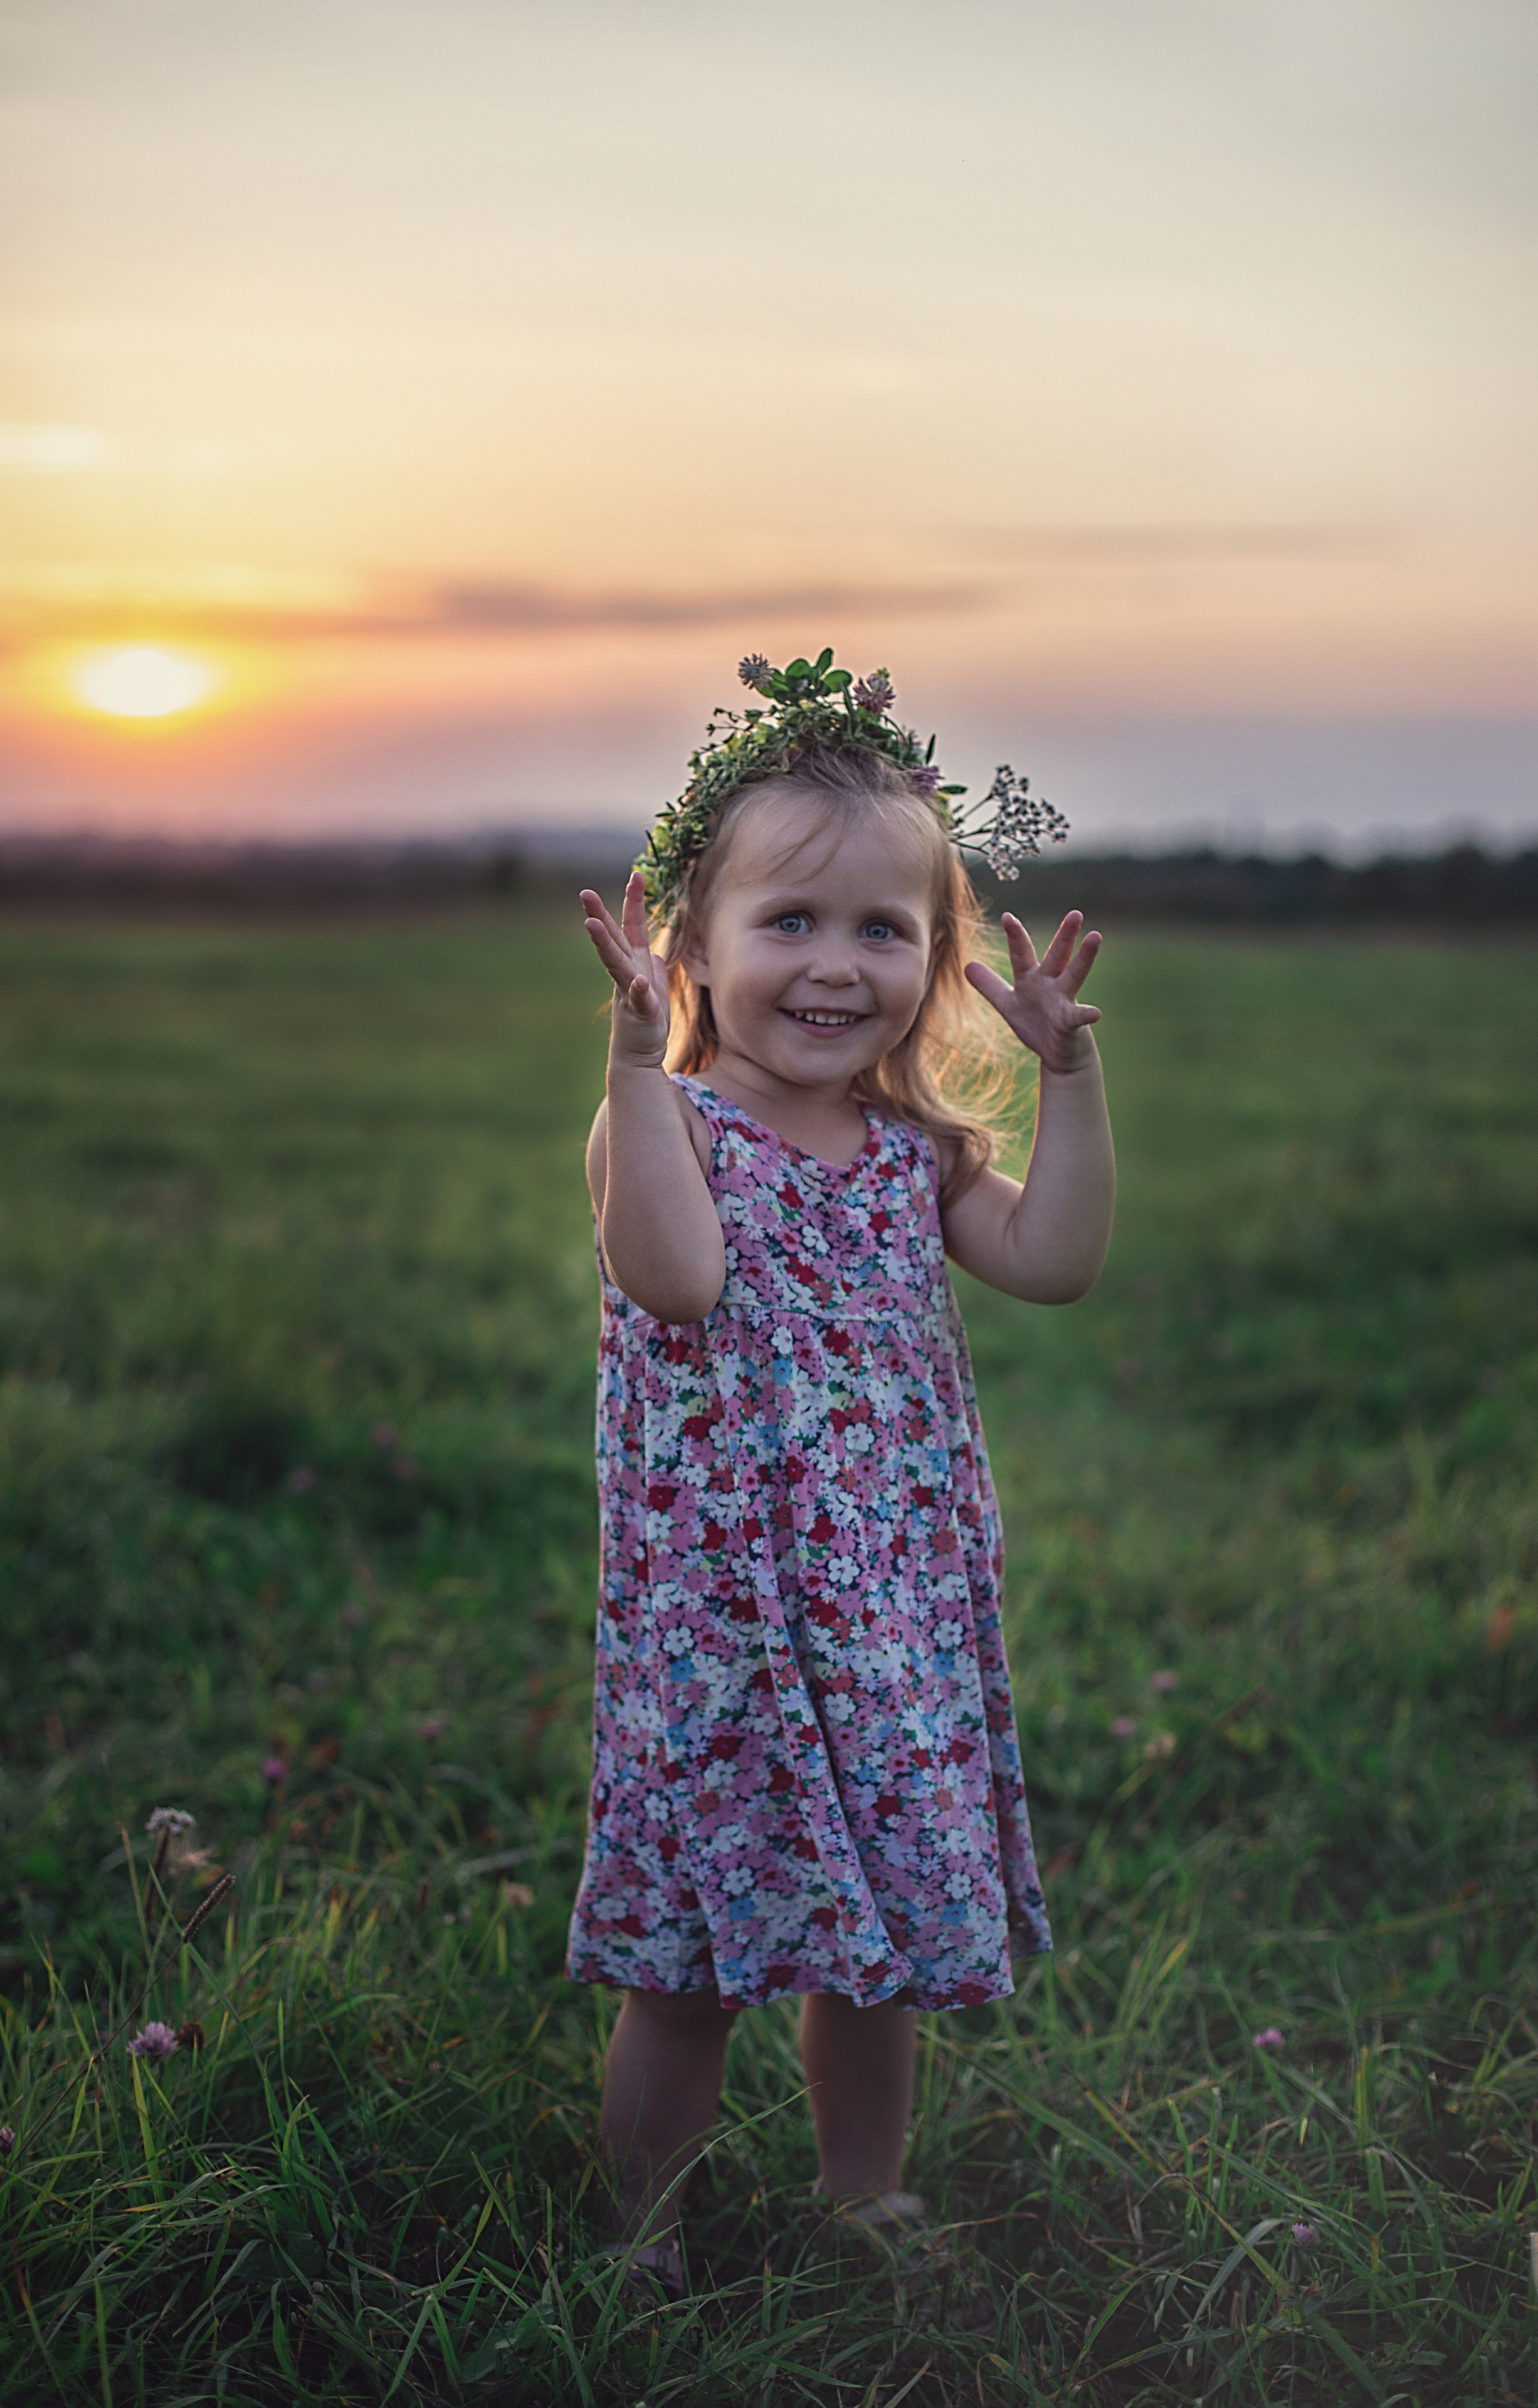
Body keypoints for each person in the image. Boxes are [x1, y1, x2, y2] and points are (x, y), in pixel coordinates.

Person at [567, 652, 1115, 2292]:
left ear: (939, 966)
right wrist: (625, 1058)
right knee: (687, 1967)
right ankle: (637, 2229)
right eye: (787, 922)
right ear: (694, 949)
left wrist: (1071, 1081)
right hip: (724, 1637)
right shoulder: (663, 1125)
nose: (833, 963)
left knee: (867, 1959)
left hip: (887, 1631)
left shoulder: (917, 1154)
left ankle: (861, 2195)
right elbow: (676, 1283)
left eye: (883, 929)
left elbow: (1058, 1260)